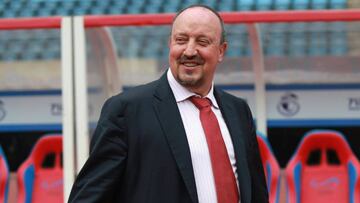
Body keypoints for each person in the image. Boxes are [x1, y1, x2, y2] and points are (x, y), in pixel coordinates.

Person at [68, 4, 268, 203]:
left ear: (221, 51)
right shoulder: (126, 111)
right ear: (170, 43)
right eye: (181, 40)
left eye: (202, 41)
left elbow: (257, 193)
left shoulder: (239, 111)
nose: (189, 51)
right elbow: (88, 197)